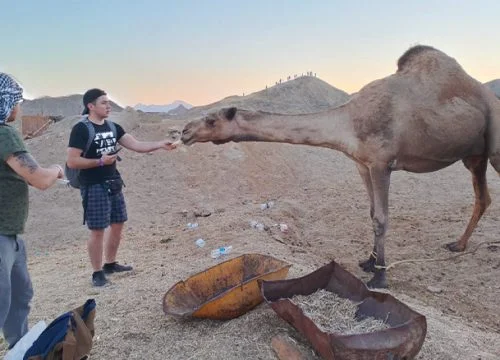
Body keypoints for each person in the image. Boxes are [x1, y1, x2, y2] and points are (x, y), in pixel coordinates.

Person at [66, 88, 176, 287]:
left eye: (108, 102)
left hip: (113, 182)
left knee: (118, 224)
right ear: (90, 106)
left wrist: (160, 144)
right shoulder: (81, 129)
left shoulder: (113, 127)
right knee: (98, 229)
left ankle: (110, 264)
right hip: (93, 186)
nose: (108, 106)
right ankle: (97, 272)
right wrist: (100, 161)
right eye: (103, 103)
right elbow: (73, 161)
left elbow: (137, 145)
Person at [0, 73, 64, 349]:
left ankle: (20, 349)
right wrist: (57, 170)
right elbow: (38, 178)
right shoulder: (3, 134)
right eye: (17, 100)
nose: (20, 107)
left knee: (19, 295)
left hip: (11, 233)